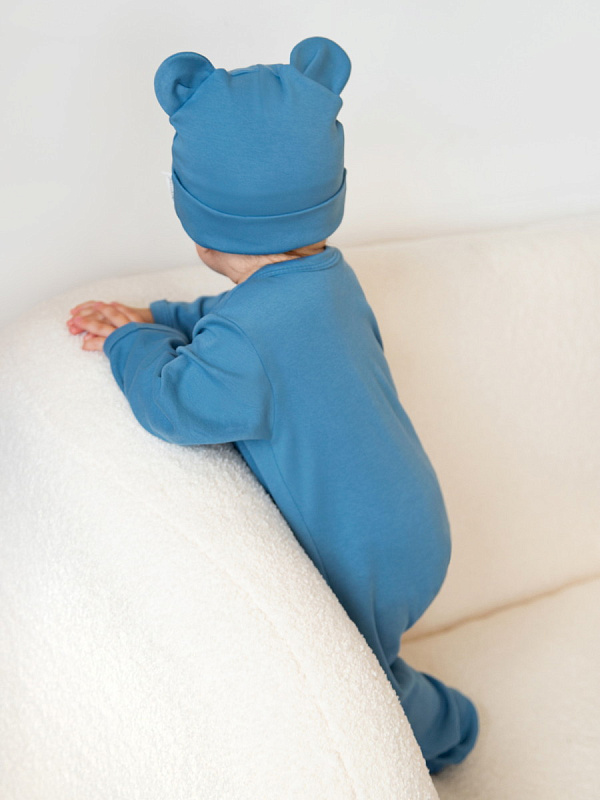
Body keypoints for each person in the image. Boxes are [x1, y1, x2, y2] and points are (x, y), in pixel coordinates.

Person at [66, 36, 479, 774]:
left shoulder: (248, 338)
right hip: (417, 522)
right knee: (373, 661)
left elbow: (174, 403)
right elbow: (234, 323)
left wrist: (132, 341)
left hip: (362, 554)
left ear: (200, 218)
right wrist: (160, 314)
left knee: (364, 682)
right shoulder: (330, 281)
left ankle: (447, 733)